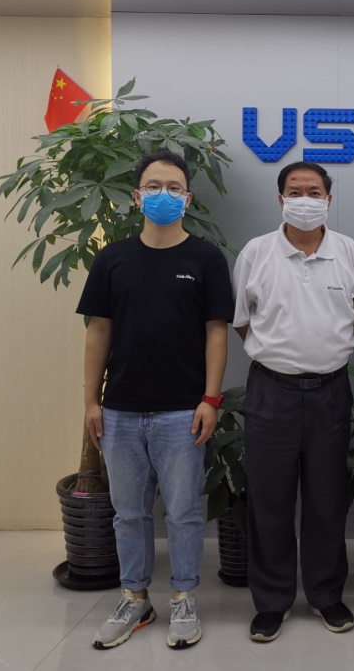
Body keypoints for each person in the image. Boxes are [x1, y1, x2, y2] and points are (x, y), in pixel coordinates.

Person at [79, 151, 234, 650]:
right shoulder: (112, 259)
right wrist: (91, 402)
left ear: (187, 198)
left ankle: (184, 597)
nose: (162, 194)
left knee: (184, 512)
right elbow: (98, 332)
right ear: (136, 196)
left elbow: (216, 333)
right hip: (120, 410)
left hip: (182, 411)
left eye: (173, 187)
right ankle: (135, 598)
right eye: (153, 186)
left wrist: (210, 398)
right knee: (128, 512)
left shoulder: (206, 259)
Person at [233, 161, 354, 643]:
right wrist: (282, 359)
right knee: (268, 499)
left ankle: (326, 595)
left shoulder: (349, 252)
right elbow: (242, 320)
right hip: (272, 391)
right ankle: (272, 601)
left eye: (314, 192)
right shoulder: (256, 253)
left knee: (327, 498)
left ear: (329, 199)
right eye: (295, 191)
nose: (304, 200)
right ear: (280, 199)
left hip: (330, 391)